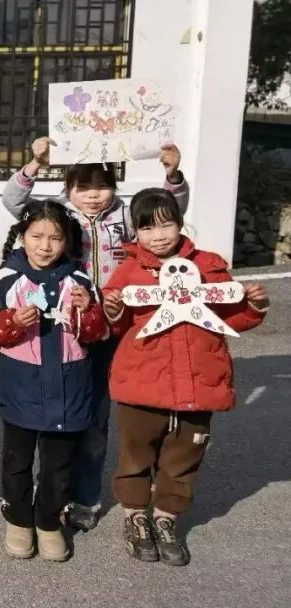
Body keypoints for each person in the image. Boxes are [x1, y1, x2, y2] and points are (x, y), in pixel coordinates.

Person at [1, 137, 190, 530]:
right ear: (68, 188)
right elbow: (14, 202)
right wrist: (35, 162)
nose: (92, 195)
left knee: (95, 420)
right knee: (64, 416)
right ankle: (52, 493)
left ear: (114, 186)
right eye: (82, 187)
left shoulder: (125, 215)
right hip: (67, 329)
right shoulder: (61, 215)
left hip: (115, 330)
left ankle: (85, 497)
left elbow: (168, 214)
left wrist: (172, 175)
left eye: (101, 186)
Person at [102, 188, 268, 566]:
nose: (158, 235)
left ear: (180, 223)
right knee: (135, 452)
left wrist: (254, 306)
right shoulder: (128, 272)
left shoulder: (209, 265)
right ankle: (136, 516)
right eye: (147, 228)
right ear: (135, 232)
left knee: (184, 454)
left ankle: (166, 518)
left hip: (199, 381)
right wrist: (112, 310)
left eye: (166, 224)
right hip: (142, 382)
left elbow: (231, 318)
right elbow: (116, 327)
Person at [0, 200, 108, 562]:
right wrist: (12, 321)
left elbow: (97, 333)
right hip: (21, 385)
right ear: (22, 236)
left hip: (70, 385)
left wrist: (87, 311)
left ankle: (49, 520)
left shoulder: (80, 279)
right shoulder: (7, 278)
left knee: (58, 462)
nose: (45, 245)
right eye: (36, 236)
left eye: (55, 238)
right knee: (17, 459)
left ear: (67, 241)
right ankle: (19, 519)